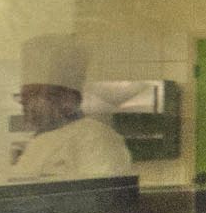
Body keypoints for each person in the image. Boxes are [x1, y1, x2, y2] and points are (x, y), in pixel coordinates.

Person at [9, 34, 133, 181]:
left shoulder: (95, 139)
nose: (23, 102)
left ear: (67, 100)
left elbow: (99, 197)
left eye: (33, 94)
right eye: (23, 96)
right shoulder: (37, 140)